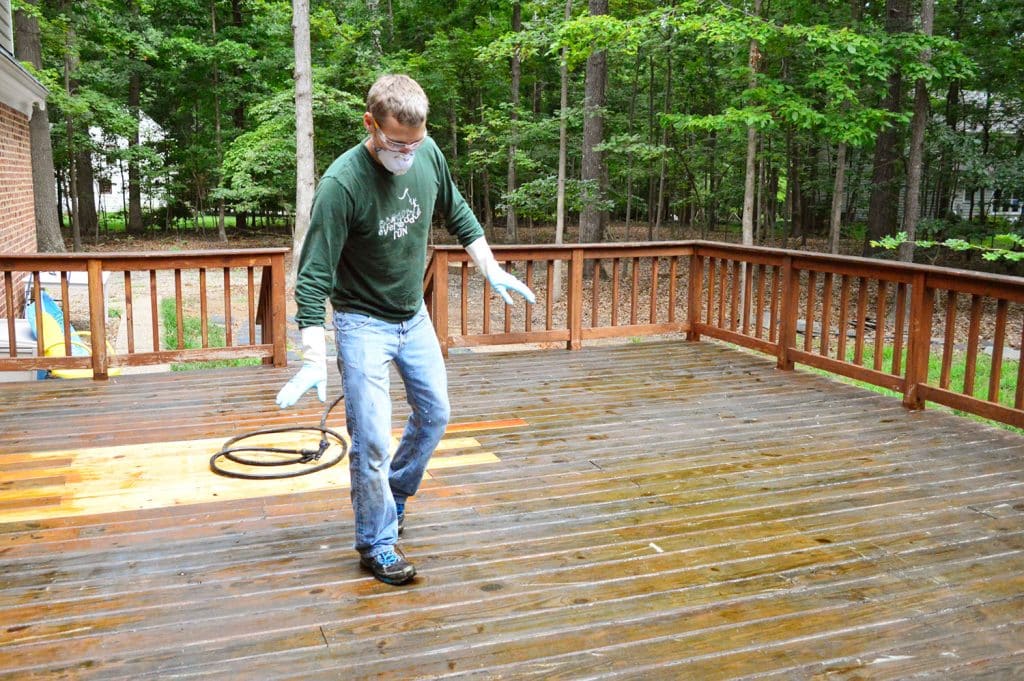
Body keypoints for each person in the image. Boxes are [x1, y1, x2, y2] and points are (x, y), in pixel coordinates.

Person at [276, 74, 535, 585]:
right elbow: (312, 276)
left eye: (415, 143)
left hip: (411, 316)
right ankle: (377, 542)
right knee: (371, 440)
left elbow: (457, 210)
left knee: (436, 414)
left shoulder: (428, 153)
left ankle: (394, 494)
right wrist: (312, 355)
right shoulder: (342, 184)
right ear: (370, 124)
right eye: (396, 144)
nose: (407, 154)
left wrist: (491, 267)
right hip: (361, 323)